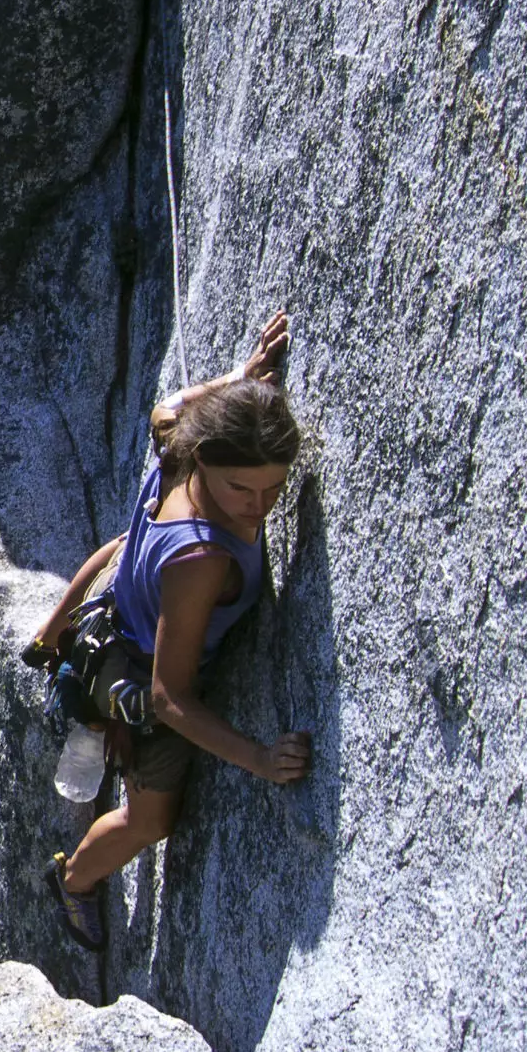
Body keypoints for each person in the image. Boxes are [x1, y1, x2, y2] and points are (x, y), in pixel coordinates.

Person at [32, 310, 313, 951]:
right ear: (210, 459)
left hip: (117, 606)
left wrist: (239, 381)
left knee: (128, 546)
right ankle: (72, 882)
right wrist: (261, 760)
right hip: (136, 665)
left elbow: (166, 408)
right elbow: (169, 698)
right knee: (150, 819)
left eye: (273, 489)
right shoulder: (202, 560)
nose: (258, 505)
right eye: (241, 487)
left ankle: (91, 711)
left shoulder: (176, 449)